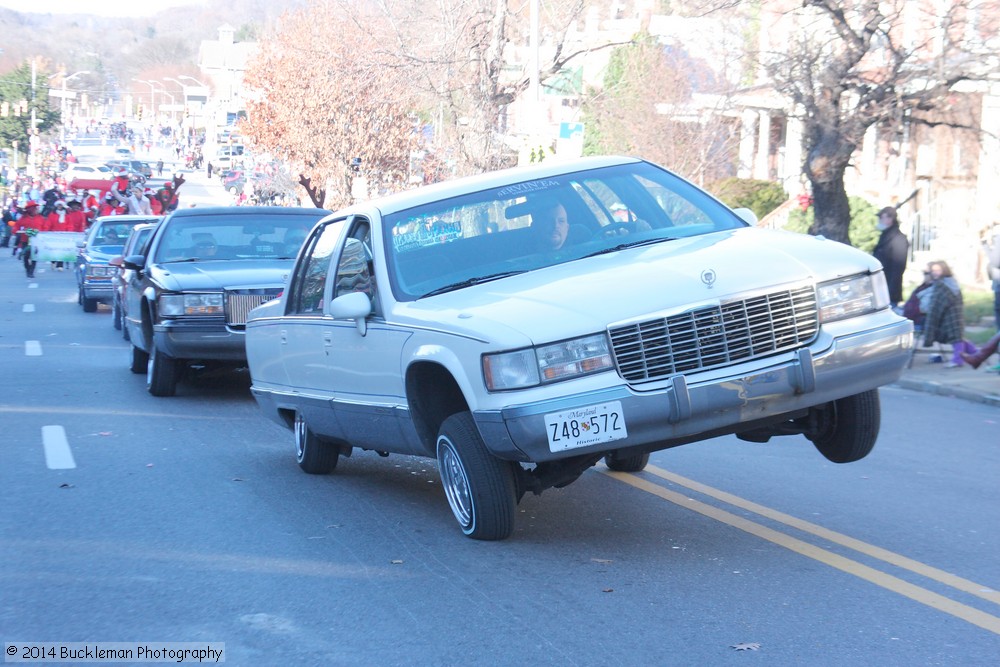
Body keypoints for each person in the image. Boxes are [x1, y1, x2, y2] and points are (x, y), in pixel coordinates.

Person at [921, 260, 976, 367]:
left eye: (938, 270)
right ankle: (975, 353)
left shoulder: (941, 285)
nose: (935, 273)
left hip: (950, 314)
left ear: (944, 270)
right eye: (933, 271)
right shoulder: (951, 282)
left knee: (955, 337)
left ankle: (958, 359)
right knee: (956, 335)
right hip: (954, 313)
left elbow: (935, 305)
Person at [872, 206, 909, 308]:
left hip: (888, 291)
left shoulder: (898, 239)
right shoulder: (886, 236)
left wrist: (890, 292)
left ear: (890, 219)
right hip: (881, 288)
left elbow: (898, 268)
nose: (879, 220)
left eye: (881, 217)